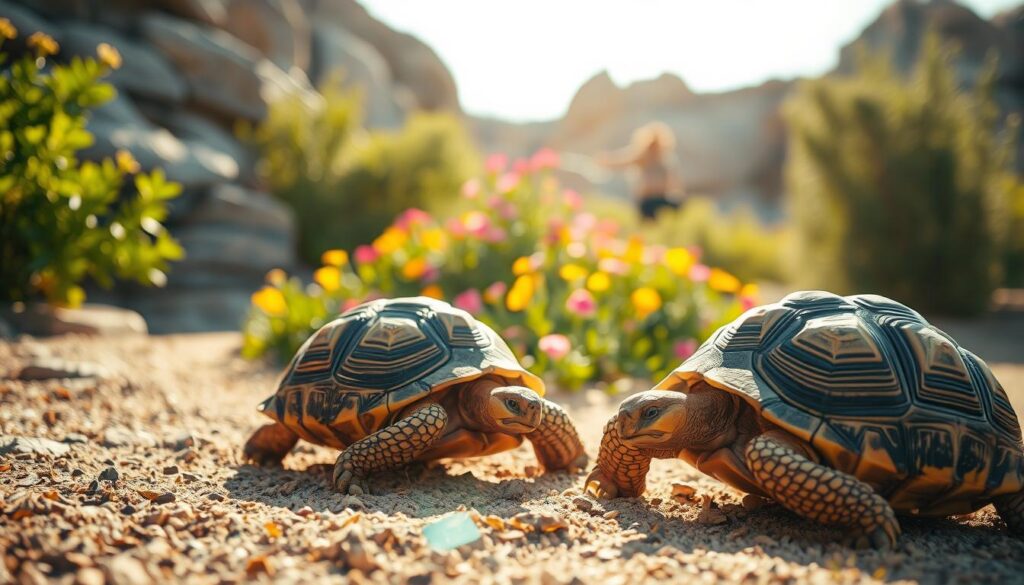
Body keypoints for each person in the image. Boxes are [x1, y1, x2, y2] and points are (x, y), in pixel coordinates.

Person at [598, 122, 683, 221]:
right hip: (647, 201)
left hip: (662, 198)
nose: (653, 146)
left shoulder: (665, 159)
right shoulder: (642, 156)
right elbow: (622, 160)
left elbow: (675, 184)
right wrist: (606, 159)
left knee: (676, 205)